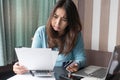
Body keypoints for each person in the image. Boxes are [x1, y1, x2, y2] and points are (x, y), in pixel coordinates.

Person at [13, 0, 86, 75]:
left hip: (65, 76)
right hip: (43, 75)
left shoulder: (75, 34)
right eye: (55, 16)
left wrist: (77, 64)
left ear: (70, 21)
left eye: (64, 19)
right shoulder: (41, 32)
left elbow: (81, 58)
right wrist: (19, 65)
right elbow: (33, 59)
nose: (58, 23)